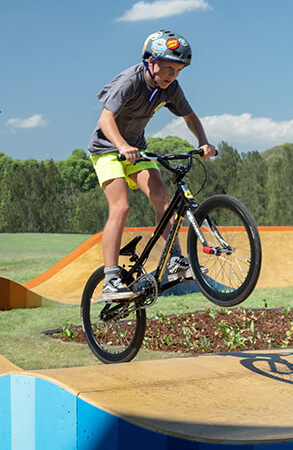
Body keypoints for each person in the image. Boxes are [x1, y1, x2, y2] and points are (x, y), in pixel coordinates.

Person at [87, 30, 217, 301]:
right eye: (168, 68)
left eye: (178, 70)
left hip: (137, 151)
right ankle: (110, 278)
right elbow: (105, 120)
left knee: (162, 196)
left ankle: (176, 261)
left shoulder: (170, 89)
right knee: (121, 207)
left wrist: (203, 141)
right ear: (150, 60)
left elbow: (190, 116)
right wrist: (122, 146)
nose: (172, 75)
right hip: (107, 151)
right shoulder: (129, 81)